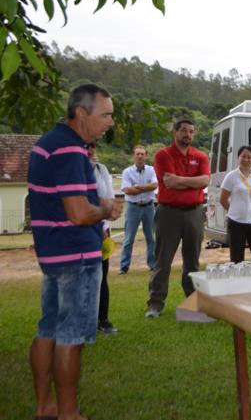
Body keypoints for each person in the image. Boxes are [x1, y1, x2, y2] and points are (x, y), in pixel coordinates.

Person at [27, 84, 123, 420]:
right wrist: (107, 208)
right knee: (70, 336)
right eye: (106, 114)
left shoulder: (49, 142)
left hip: (52, 254)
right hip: (75, 255)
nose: (110, 121)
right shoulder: (69, 150)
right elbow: (80, 213)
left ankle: (45, 407)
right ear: (81, 113)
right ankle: (68, 414)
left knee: (48, 329)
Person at [145, 119, 210, 318]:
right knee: (163, 260)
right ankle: (155, 304)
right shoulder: (163, 154)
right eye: (183, 130)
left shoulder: (201, 156)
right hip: (168, 212)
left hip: (194, 212)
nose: (187, 135)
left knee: (192, 260)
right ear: (175, 132)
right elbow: (168, 183)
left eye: (191, 131)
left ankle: (192, 300)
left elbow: (205, 180)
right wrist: (193, 182)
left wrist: (180, 180)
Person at [87, 142, 118, 334]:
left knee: (101, 276)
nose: (91, 151)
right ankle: (84, 321)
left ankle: (102, 319)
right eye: (86, 147)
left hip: (101, 229)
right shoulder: (72, 167)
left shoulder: (101, 169)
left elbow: (109, 199)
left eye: (93, 147)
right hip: (82, 229)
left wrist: (104, 225)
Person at [219, 145, 251, 263]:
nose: (246, 159)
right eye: (243, 156)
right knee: (237, 258)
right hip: (236, 222)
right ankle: (238, 280)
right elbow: (223, 199)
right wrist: (234, 211)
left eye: (249, 157)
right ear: (238, 158)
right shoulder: (231, 176)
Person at [119, 145, 157, 274]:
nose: (140, 156)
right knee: (129, 238)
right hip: (133, 208)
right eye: (137, 154)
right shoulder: (127, 172)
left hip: (149, 207)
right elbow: (127, 191)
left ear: (146, 155)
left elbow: (154, 185)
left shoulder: (151, 170)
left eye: (142, 154)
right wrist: (145, 187)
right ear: (133, 156)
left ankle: (152, 265)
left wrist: (137, 187)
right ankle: (124, 267)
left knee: (151, 238)